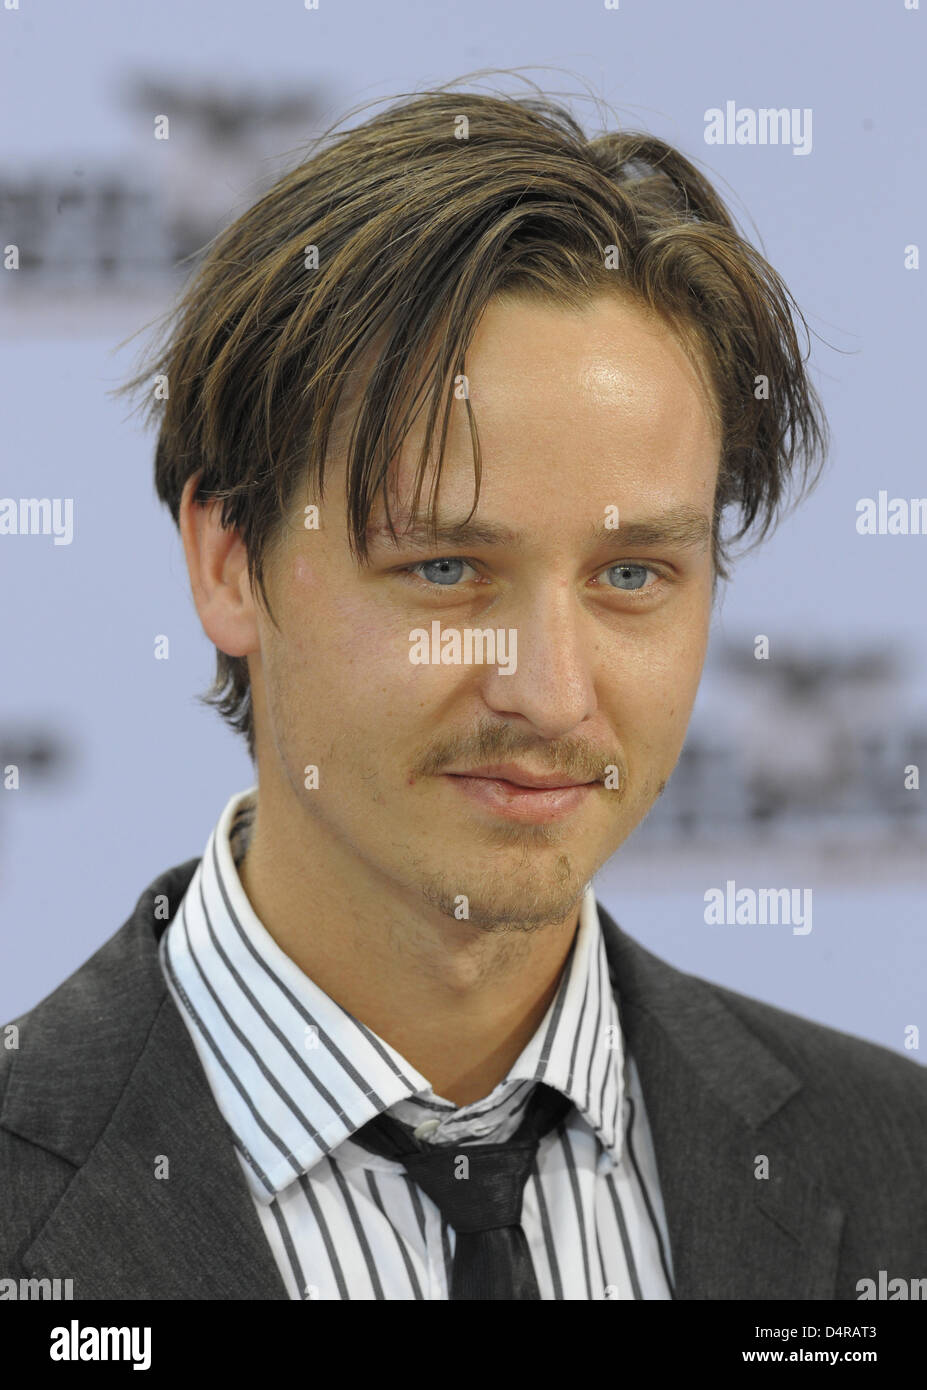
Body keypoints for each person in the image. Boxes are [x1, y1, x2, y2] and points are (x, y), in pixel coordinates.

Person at [2, 80, 924, 1302]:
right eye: (445, 568)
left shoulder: (899, 1168)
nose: (551, 693)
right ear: (228, 562)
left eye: (632, 575)